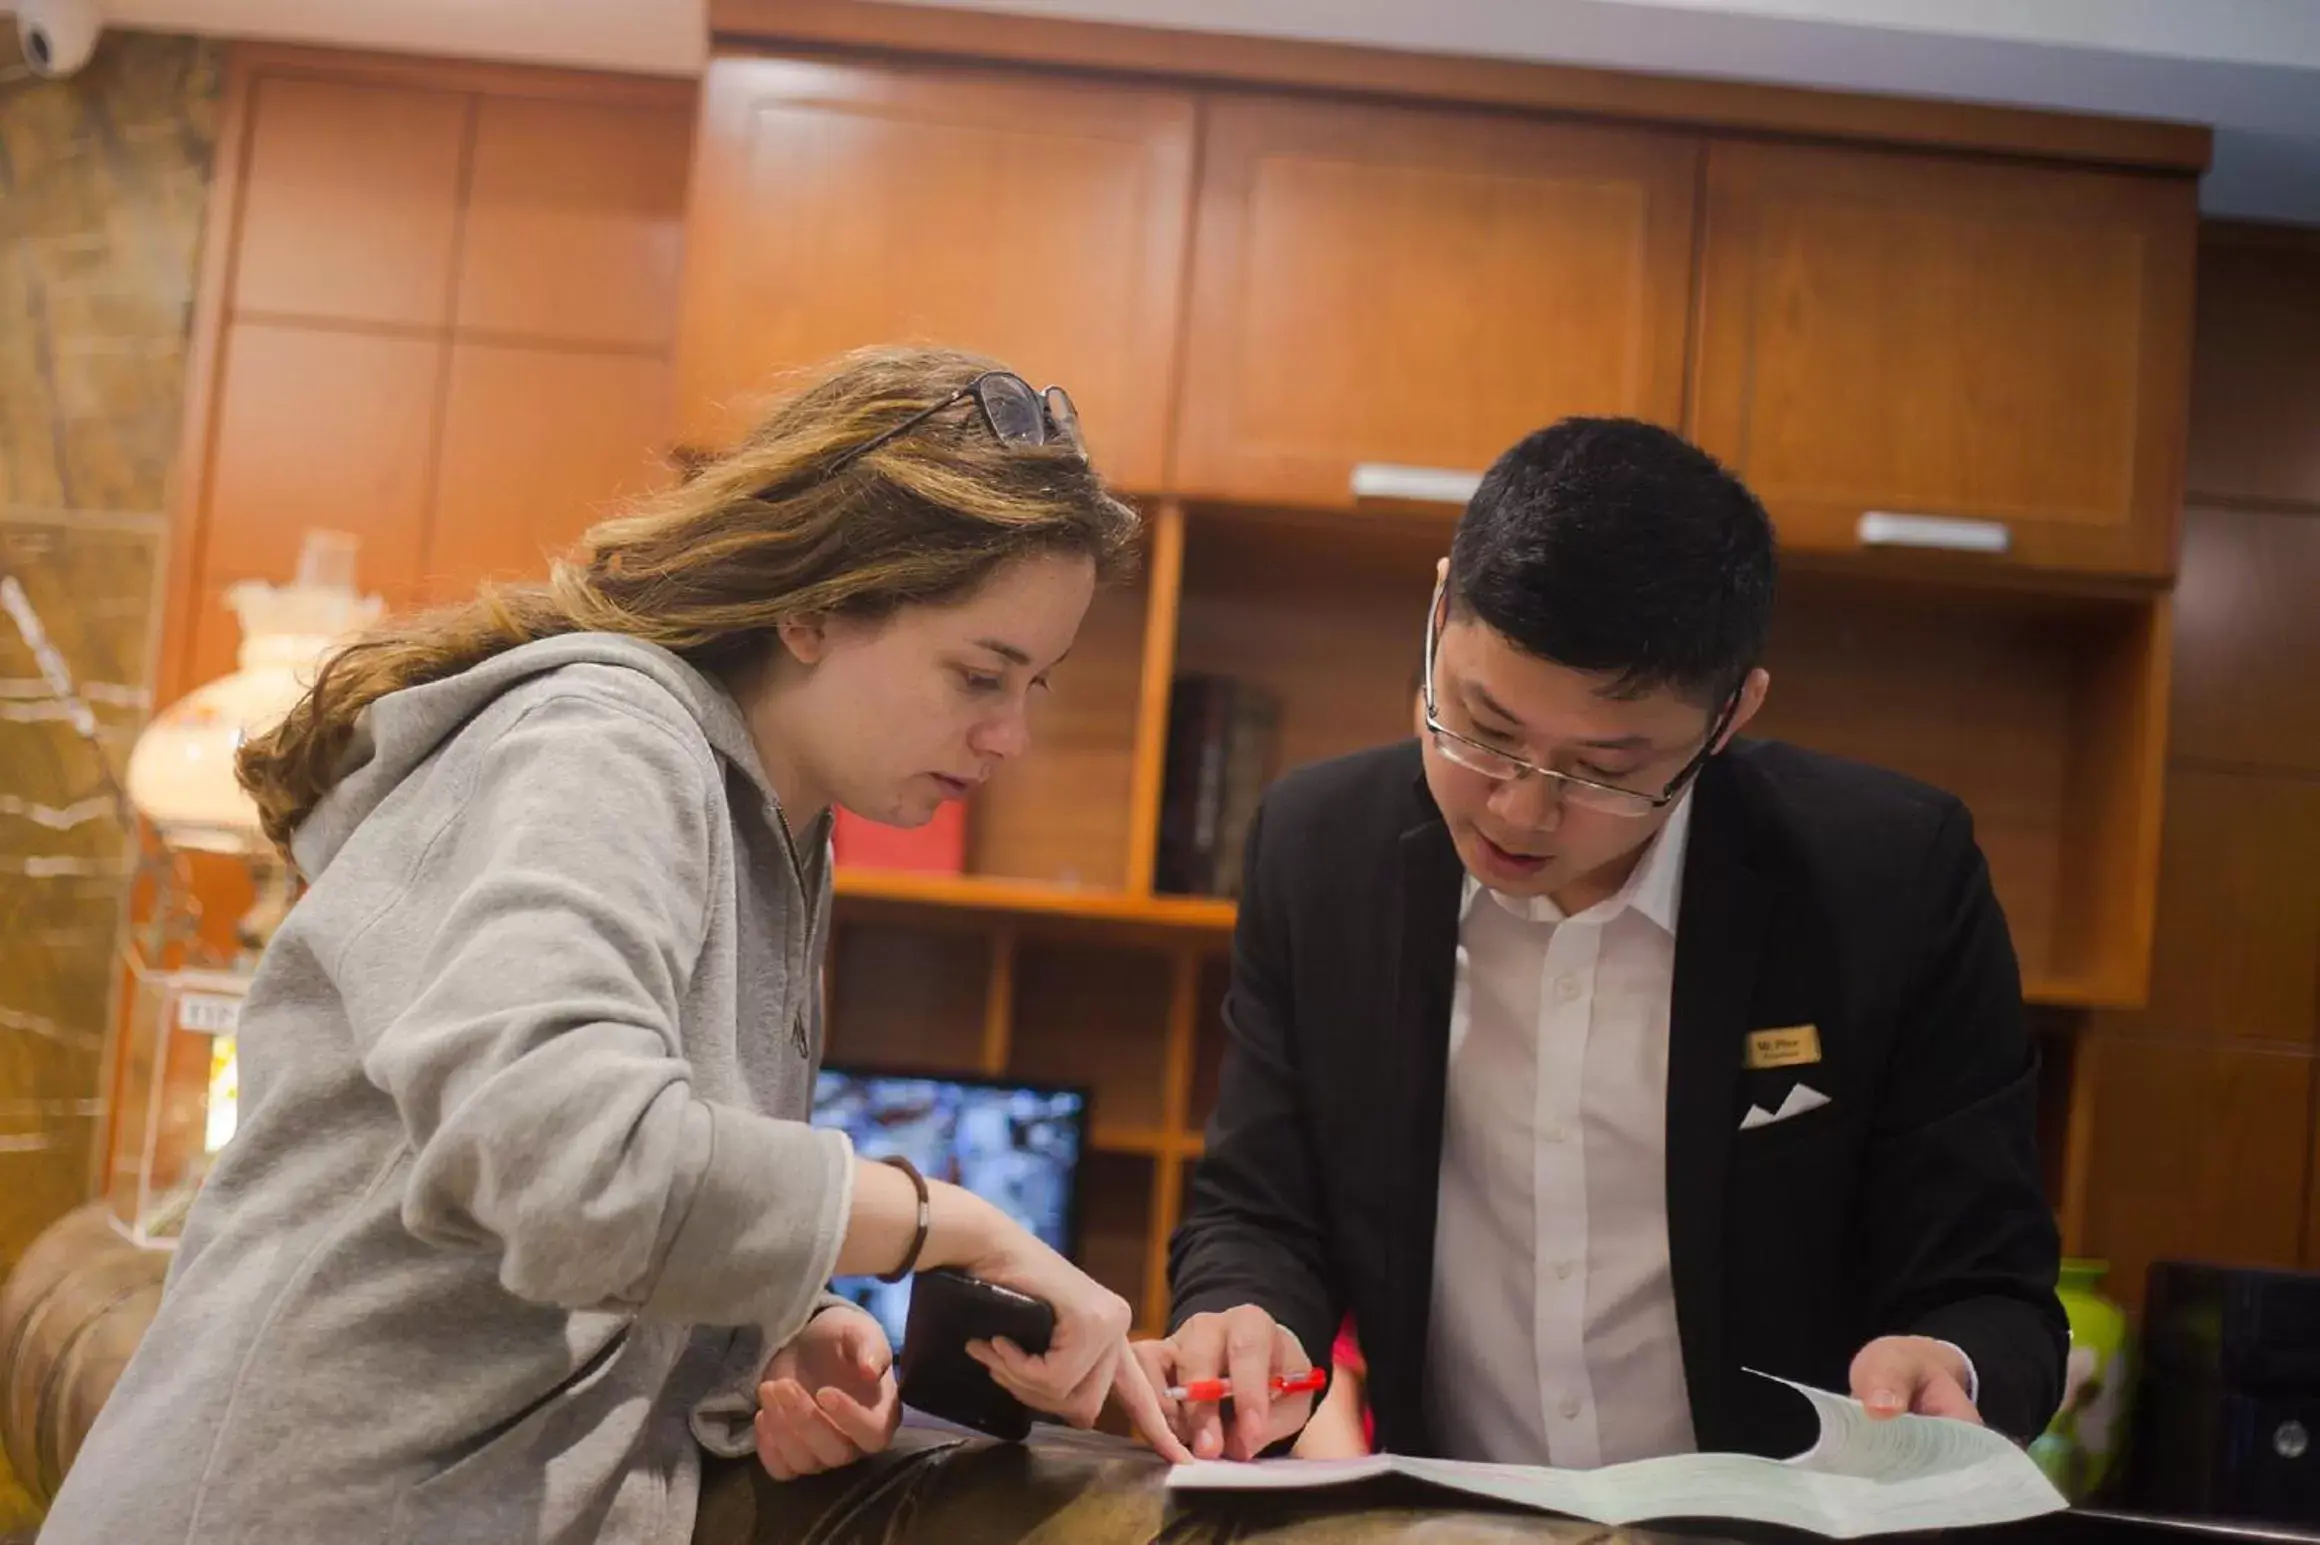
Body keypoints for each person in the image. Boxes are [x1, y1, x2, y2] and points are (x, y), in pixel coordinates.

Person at [43, 346, 1190, 1545]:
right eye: (977, 675)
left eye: (1034, 687)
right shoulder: (602, 745)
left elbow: (562, 1242)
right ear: (810, 605)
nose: (1008, 735)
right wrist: (947, 1222)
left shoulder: (777, 821)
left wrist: (763, 1334)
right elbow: (562, 1162)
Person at [1140, 417, 2064, 1467]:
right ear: (1440, 612)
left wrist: (1948, 1359)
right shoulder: (1317, 855)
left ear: (1728, 715)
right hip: (1454, 1528)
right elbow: (1259, 1210)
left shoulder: (1888, 881)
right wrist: (1245, 1314)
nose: (1521, 812)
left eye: (1607, 771)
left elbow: (1994, 1287)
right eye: (1482, 729)